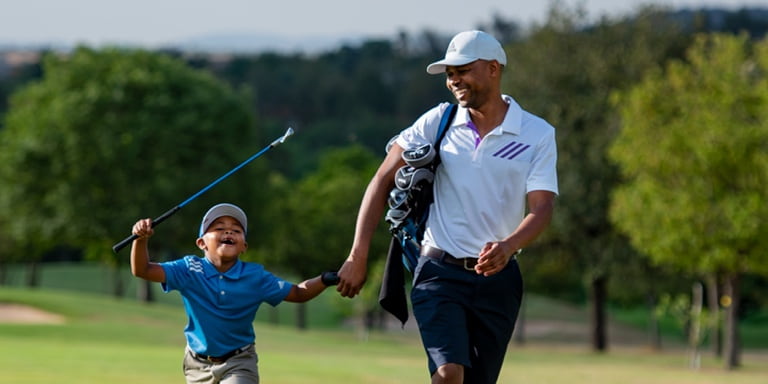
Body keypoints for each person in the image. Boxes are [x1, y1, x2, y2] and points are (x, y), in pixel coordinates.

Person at [337, 30, 559, 384]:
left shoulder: (537, 134)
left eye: (463, 71)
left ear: (493, 68)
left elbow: (542, 208)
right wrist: (357, 255)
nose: (454, 81)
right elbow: (381, 181)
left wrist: (508, 246)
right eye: (450, 74)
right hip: (438, 273)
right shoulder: (437, 122)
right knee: (448, 374)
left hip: (499, 282)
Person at [130, 203, 338, 384]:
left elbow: (297, 293)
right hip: (197, 365)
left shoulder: (256, 276)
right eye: (219, 228)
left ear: (244, 247)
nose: (228, 232)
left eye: (236, 230)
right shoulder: (188, 269)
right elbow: (143, 270)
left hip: (239, 361)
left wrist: (325, 279)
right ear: (201, 243)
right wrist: (140, 239)